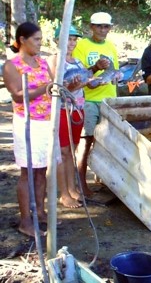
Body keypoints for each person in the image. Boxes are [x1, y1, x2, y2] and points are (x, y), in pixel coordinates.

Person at [3, 22, 52, 236]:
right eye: (36, 39)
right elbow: (16, 95)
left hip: (46, 121)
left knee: (41, 170)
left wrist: (71, 85)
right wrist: (44, 88)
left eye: (41, 39)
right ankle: (25, 221)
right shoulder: (12, 65)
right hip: (28, 123)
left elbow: (52, 86)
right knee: (28, 172)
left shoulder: (41, 62)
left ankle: (40, 212)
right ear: (22, 40)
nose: (40, 44)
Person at [72, 12, 119, 196]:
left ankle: (102, 179)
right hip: (88, 100)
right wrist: (97, 68)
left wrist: (116, 77)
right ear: (91, 26)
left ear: (110, 28)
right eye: (98, 26)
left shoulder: (111, 46)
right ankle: (81, 183)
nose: (102, 29)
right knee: (86, 142)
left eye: (106, 26)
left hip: (109, 100)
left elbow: (114, 72)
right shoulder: (81, 46)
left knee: (106, 142)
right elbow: (77, 73)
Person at [48, 25, 86, 208]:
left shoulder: (78, 61)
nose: (71, 43)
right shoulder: (54, 61)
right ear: (57, 40)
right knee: (62, 152)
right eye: (67, 39)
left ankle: (72, 188)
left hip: (77, 109)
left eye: (73, 39)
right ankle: (63, 193)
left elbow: (85, 82)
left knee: (72, 150)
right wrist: (73, 87)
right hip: (62, 110)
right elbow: (57, 89)